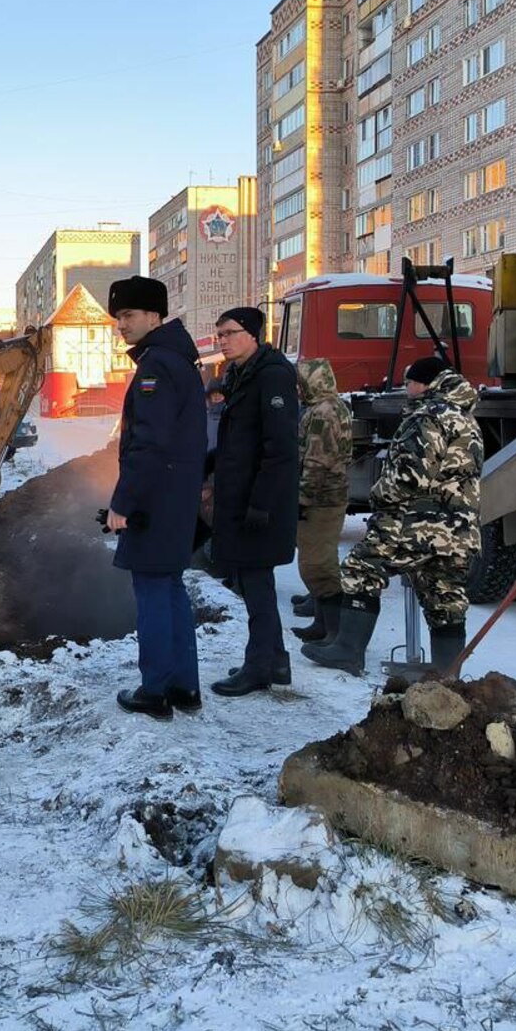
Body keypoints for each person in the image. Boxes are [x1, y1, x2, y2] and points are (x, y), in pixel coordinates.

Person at [305, 355, 483, 676]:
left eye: (410, 383)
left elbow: (410, 476)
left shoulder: (429, 417)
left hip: (416, 522)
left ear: (424, 384)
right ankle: (447, 673)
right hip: (458, 527)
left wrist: (378, 494)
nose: (406, 389)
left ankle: (348, 651)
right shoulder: (465, 417)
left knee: (361, 568)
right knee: (445, 595)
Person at [105, 277, 208, 720]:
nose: (121, 325)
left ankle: (155, 691)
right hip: (175, 498)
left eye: (128, 315)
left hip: (156, 501)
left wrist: (123, 503)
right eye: (118, 317)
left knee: (151, 591)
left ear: (153, 315)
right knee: (170, 589)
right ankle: (184, 686)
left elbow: (149, 443)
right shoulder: (177, 359)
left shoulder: (157, 367)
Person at [205, 306, 300, 697]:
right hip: (242, 497)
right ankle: (275, 660)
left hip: (260, 503)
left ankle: (259, 667)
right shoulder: (242, 373)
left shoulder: (272, 376)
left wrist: (261, 504)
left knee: (256, 583)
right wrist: (208, 465)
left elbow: (280, 449)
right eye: (219, 335)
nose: (222, 341)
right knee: (252, 580)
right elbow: (240, 441)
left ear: (252, 334)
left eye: (229, 333)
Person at [291, 359, 352, 645]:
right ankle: (323, 624)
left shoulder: (323, 413)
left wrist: (302, 497)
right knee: (317, 561)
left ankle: (335, 633)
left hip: (321, 499)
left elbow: (317, 460)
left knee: (318, 564)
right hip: (327, 496)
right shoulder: (331, 407)